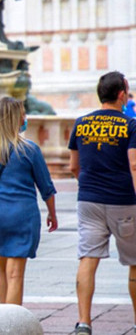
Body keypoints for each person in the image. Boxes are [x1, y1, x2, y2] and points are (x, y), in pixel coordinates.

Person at [0, 97, 58, 305]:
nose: (25, 118)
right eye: (23, 114)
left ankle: (3, 316)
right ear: (16, 119)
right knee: (15, 274)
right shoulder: (30, 150)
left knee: (1, 269)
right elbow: (46, 187)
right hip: (23, 215)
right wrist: (52, 214)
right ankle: (13, 319)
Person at [68, 71, 136, 335]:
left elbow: (74, 166)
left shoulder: (81, 123)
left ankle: (84, 322)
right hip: (123, 200)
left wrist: (88, 186)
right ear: (121, 94)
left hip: (89, 200)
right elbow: (134, 164)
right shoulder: (130, 124)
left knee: (88, 258)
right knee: (134, 262)